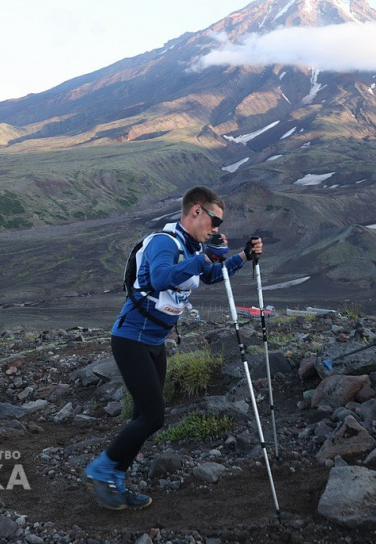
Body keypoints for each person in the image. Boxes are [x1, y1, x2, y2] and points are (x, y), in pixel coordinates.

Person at [85, 186, 263, 510]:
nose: (216, 229)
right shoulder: (164, 242)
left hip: (154, 343)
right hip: (131, 340)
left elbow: (209, 275)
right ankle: (101, 469)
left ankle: (116, 481)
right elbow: (160, 277)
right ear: (196, 211)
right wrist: (204, 257)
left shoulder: (189, 247)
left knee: (144, 416)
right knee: (153, 417)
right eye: (214, 220)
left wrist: (241, 257)